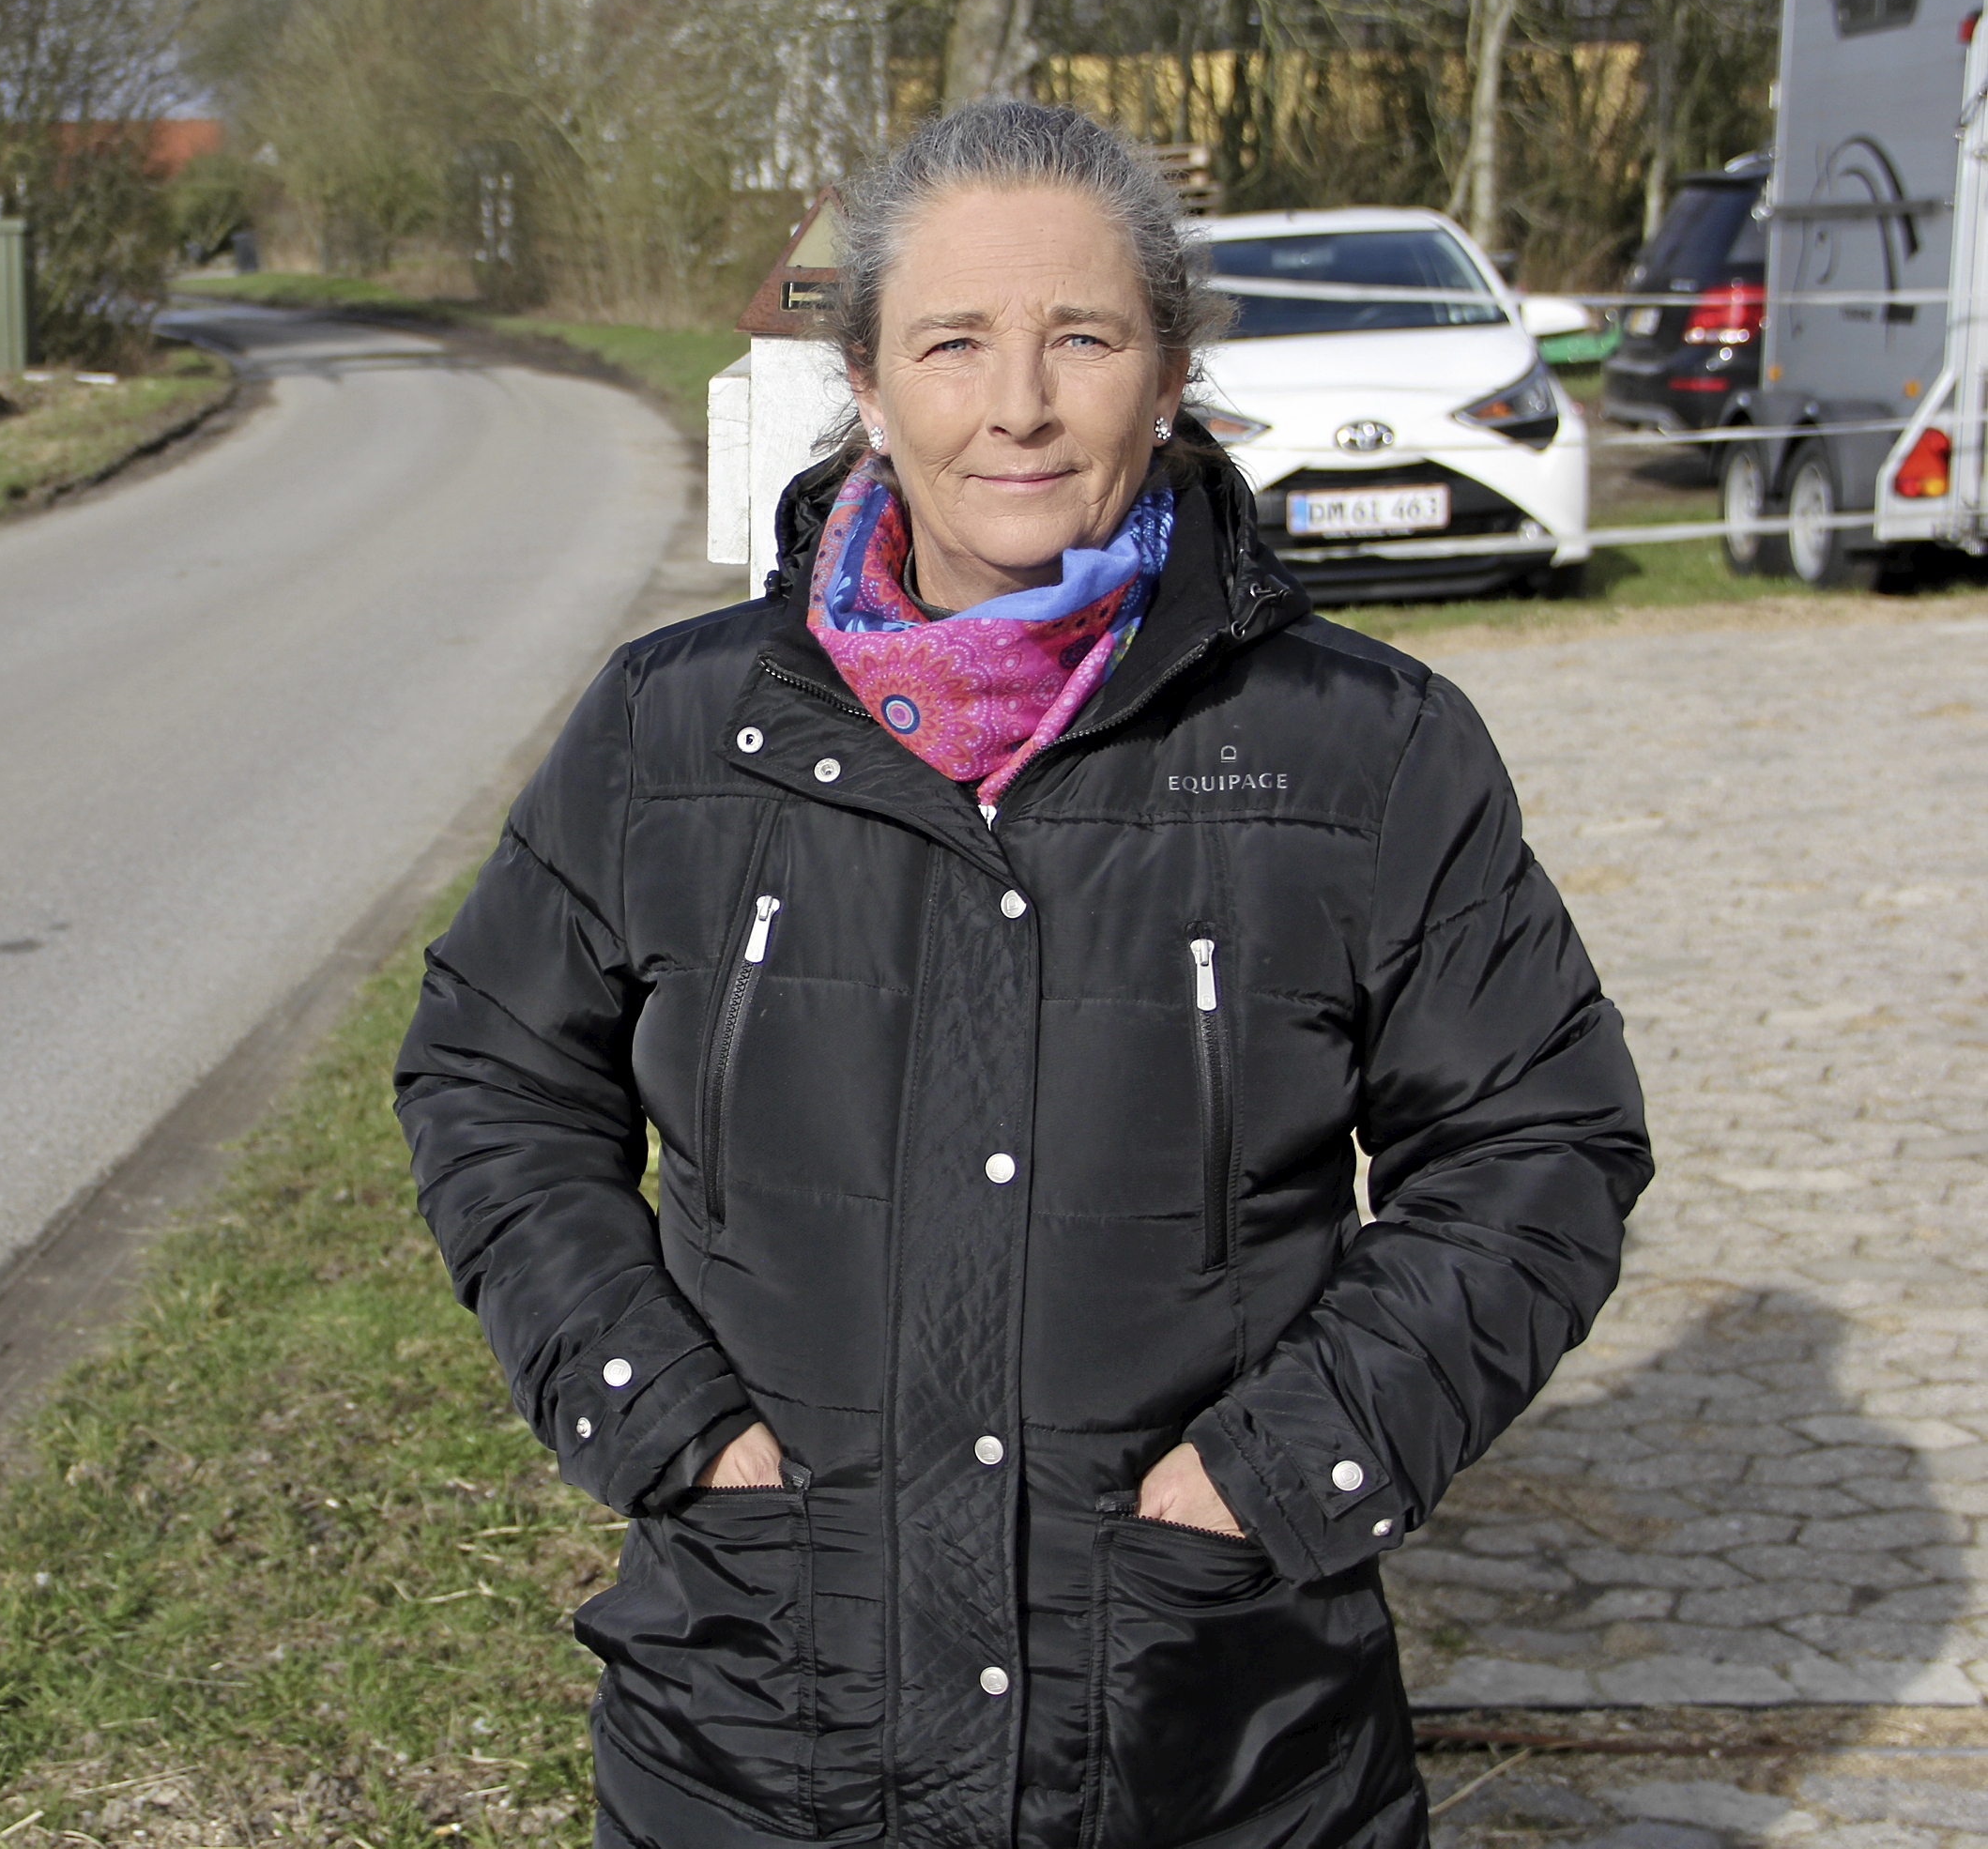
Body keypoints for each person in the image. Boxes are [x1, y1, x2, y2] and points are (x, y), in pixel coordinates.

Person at [394, 100, 1648, 1849]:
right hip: (757, 1728)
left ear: (1173, 370)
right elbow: (492, 1077)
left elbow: (1539, 1142)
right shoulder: (671, 732)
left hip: (1216, 1740)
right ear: (866, 380)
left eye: (1084, 337)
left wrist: (1279, 1473)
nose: (1020, 406)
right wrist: (659, 1416)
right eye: (953, 342)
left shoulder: (1364, 749)